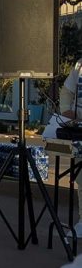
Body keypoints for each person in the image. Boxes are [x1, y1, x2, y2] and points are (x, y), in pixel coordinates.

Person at [42, 57, 82, 236]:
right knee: (81, 177)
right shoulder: (80, 65)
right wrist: (66, 111)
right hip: (78, 128)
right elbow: (66, 91)